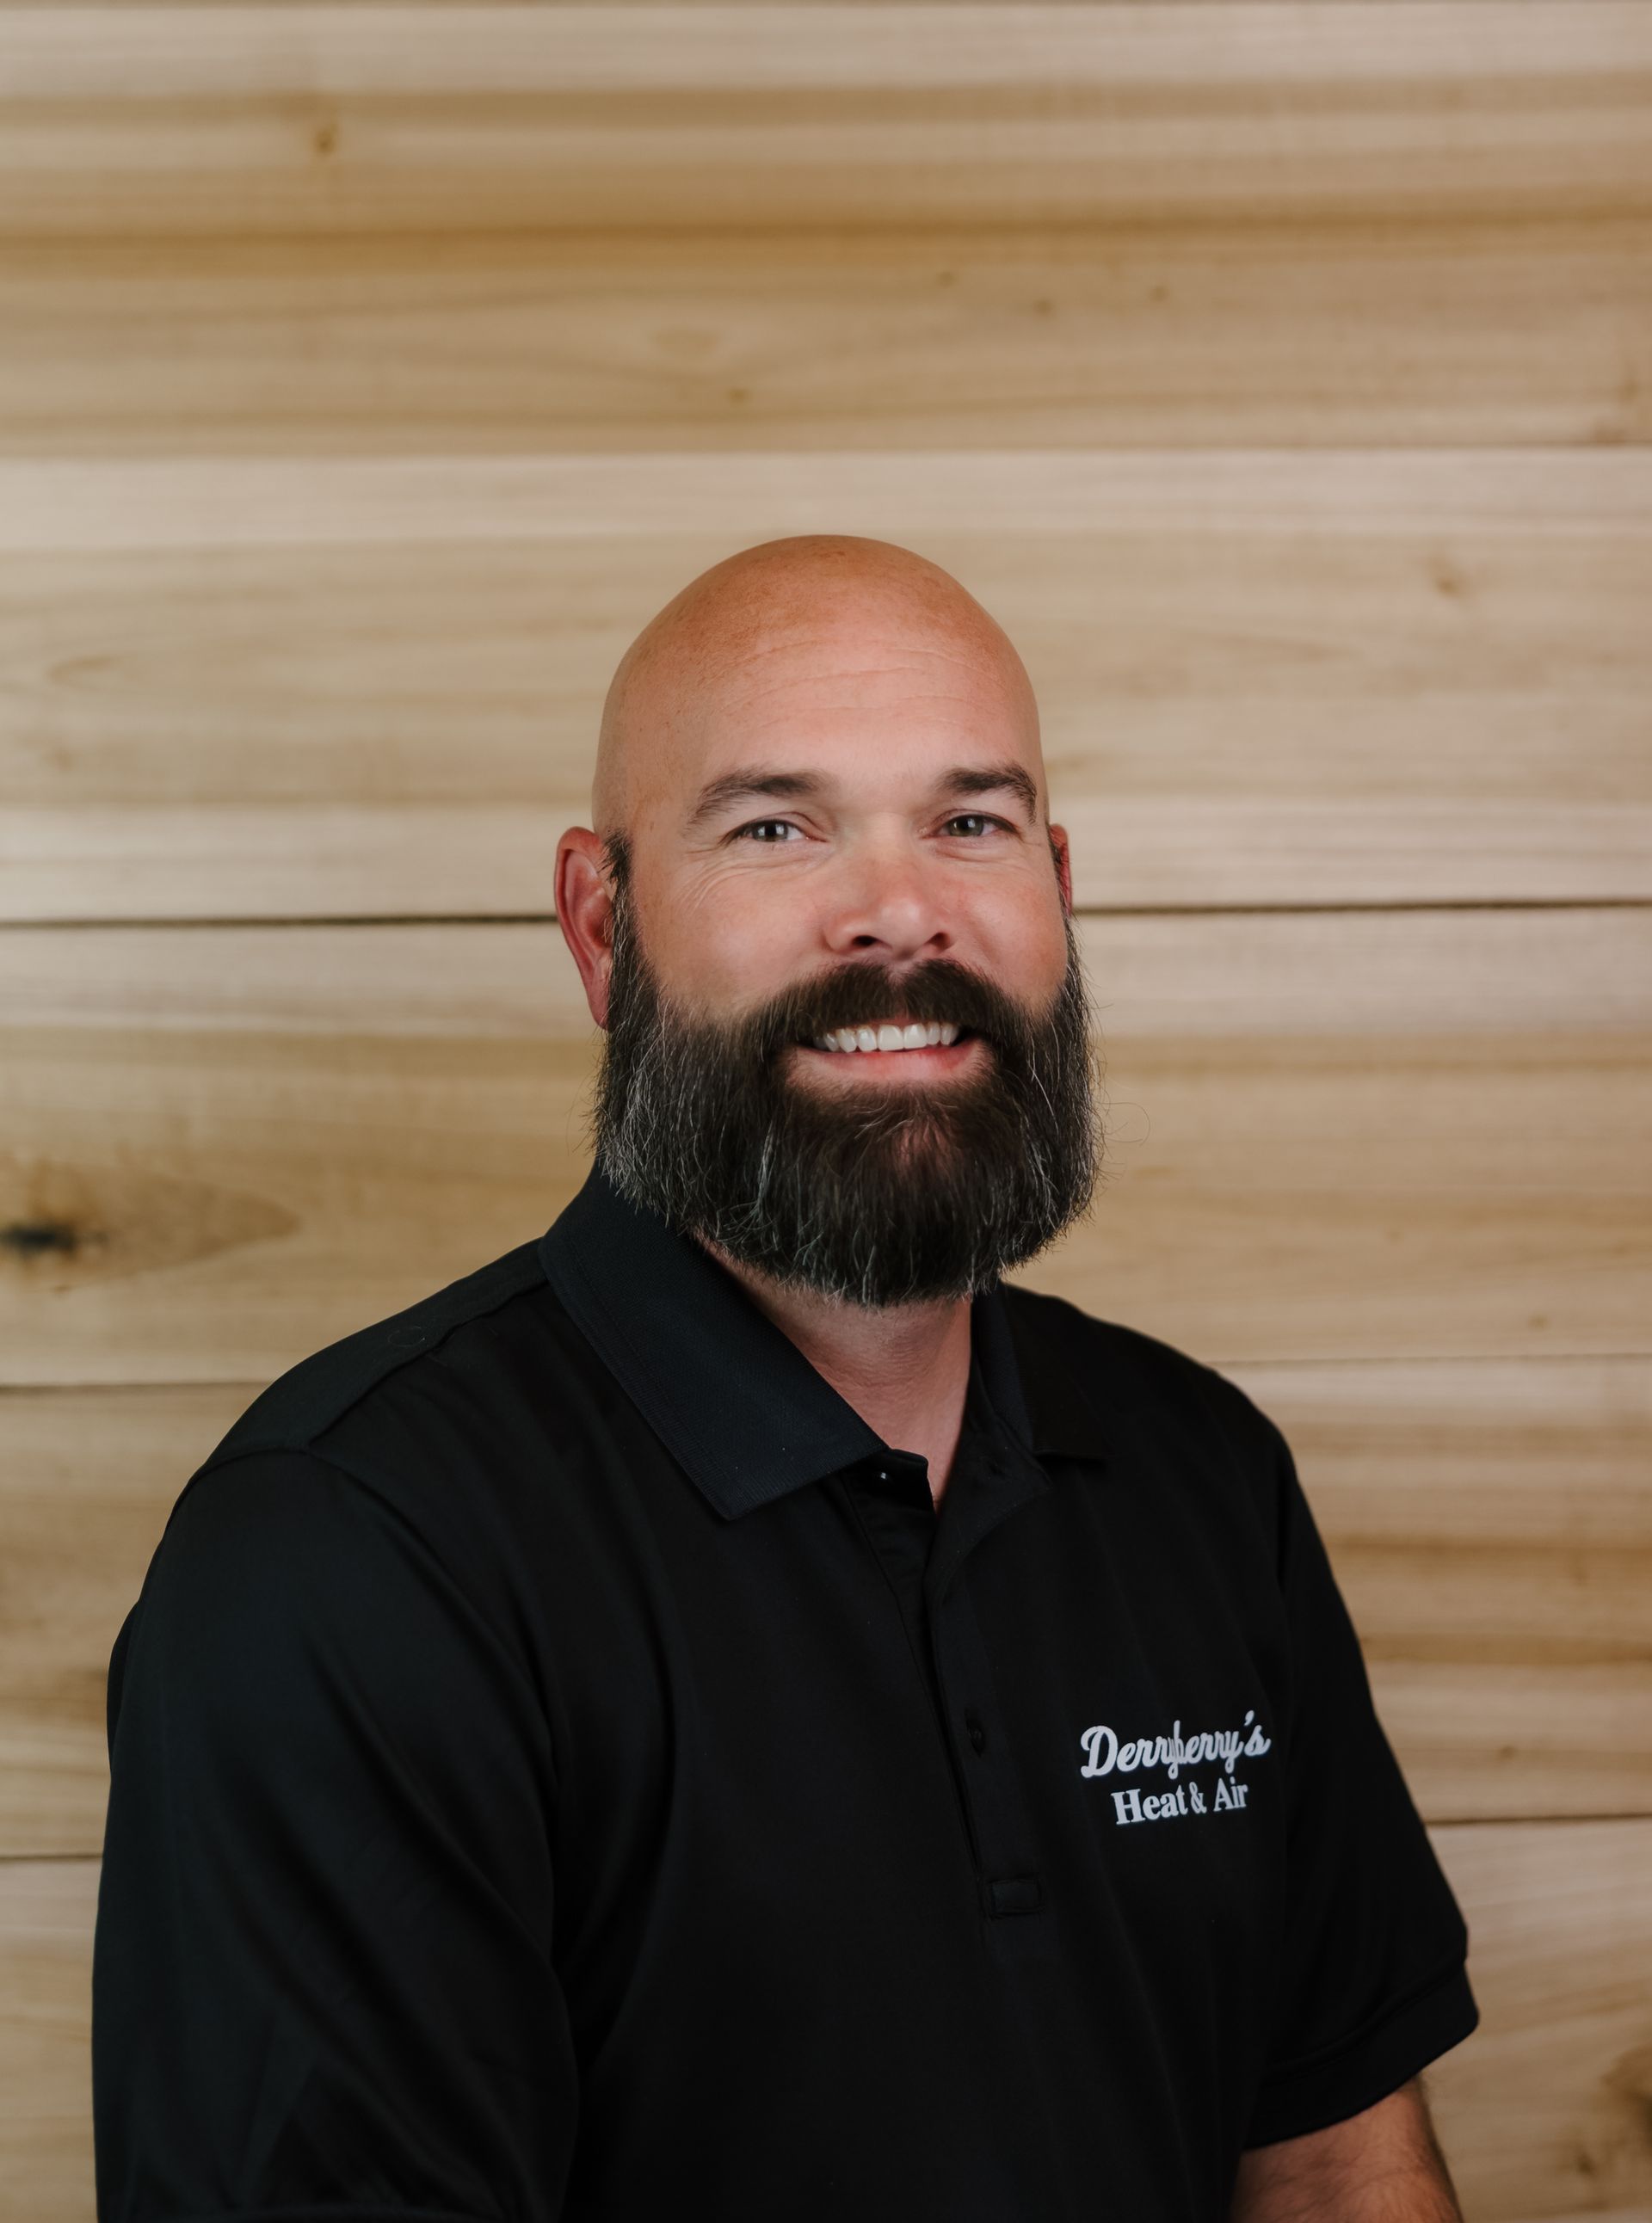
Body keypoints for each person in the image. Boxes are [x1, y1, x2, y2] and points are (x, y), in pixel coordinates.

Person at [92, 534, 1478, 2222]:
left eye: (969, 822)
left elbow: (1337, 2157)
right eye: (777, 825)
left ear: (1056, 886)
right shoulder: (350, 1555)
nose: (902, 909)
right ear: (602, 927)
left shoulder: (1202, 1470)